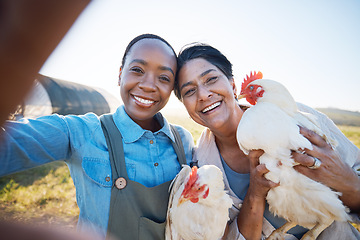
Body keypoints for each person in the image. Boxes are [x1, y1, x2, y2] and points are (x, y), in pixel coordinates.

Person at [0, 34, 194, 240]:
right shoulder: (82, 131)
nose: (148, 85)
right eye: (137, 70)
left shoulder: (183, 140)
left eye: (164, 78)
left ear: (172, 88)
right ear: (120, 75)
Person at [174, 43, 360, 240]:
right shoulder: (201, 170)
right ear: (185, 105)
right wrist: (255, 194)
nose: (203, 95)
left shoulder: (295, 117)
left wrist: (345, 179)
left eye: (211, 79)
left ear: (234, 85)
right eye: (189, 91)